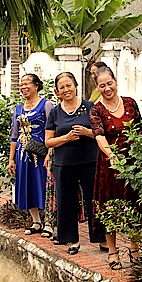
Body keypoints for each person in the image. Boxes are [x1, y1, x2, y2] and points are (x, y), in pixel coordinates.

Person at [90, 67, 142, 270]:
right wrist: (112, 155)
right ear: (97, 87)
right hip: (110, 166)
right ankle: (113, 251)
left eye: (109, 83)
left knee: (136, 204)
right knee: (110, 208)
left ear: (115, 81)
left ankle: (134, 247)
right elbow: (99, 135)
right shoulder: (96, 110)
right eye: (102, 85)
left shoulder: (131, 102)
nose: (107, 88)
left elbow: (140, 129)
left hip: (134, 164)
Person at [45, 72, 97, 255]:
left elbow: (100, 134)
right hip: (64, 162)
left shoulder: (89, 107)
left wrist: (86, 132)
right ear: (56, 91)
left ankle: (100, 238)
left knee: (94, 199)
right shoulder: (55, 112)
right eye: (62, 87)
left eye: (69, 85)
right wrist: (66, 138)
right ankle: (70, 239)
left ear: (76, 86)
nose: (66, 90)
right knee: (66, 200)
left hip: (90, 160)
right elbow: (48, 142)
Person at [8, 74, 53, 236]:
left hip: (41, 154)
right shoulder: (18, 109)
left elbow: (53, 129)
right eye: (21, 84)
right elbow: (14, 135)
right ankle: (36, 222)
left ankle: (49, 223)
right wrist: (11, 159)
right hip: (22, 155)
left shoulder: (46, 105)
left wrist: (50, 152)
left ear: (36, 86)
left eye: (27, 83)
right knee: (27, 185)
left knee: (44, 185)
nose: (23, 87)